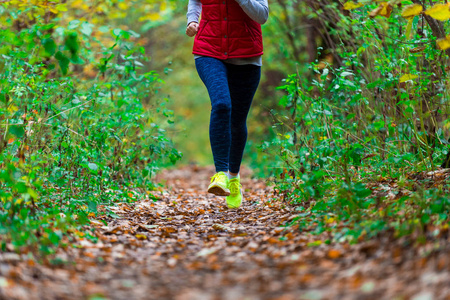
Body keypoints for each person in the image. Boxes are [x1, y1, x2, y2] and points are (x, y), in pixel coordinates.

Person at [186, 0, 269, 209]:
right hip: (209, 51)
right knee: (222, 104)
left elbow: (263, 16)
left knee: (238, 120)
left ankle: (233, 179)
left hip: (247, 55)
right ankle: (220, 174)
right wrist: (192, 20)